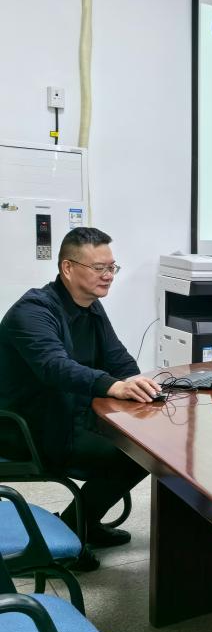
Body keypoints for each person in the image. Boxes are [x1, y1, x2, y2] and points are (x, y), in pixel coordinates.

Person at [0, 227, 158, 569]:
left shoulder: (91, 306)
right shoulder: (33, 311)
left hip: (70, 416)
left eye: (112, 267)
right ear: (68, 268)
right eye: (99, 268)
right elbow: (54, 367)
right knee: (135, 455)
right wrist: (112, 386)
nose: (108, 275)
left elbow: (117, 359)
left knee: (144, 446)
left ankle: (81, 523)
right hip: (31, 429)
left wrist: (139, 384)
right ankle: (72, 530)